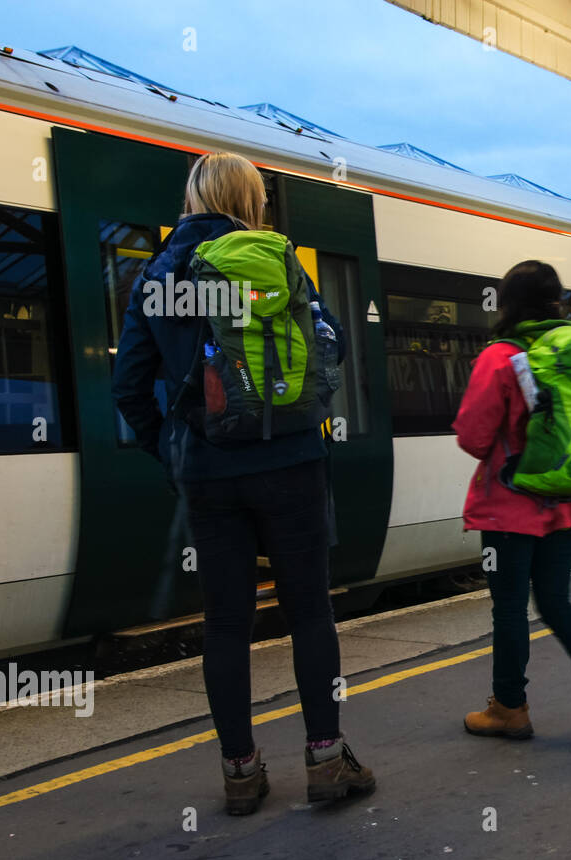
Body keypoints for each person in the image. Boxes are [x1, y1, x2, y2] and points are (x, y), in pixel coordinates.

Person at [111, 152, 374, 815]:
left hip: (210, 472)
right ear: (252, 200)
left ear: (193, 198)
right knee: (310, 610)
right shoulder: (278, 257)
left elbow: (129, 386)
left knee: (227, 623)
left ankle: (240, 772)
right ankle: (324, 758)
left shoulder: (162, 270)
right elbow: (331, 344)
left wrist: (175, 452)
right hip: (293, 464)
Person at [453, 260, 571, 746]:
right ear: (559, 303)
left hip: (510, 507)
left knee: (510, 609)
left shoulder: (500, 357)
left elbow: (473, 438)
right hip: (567, 503)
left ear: (507, 303)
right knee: (556, 602)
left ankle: (509, 708)